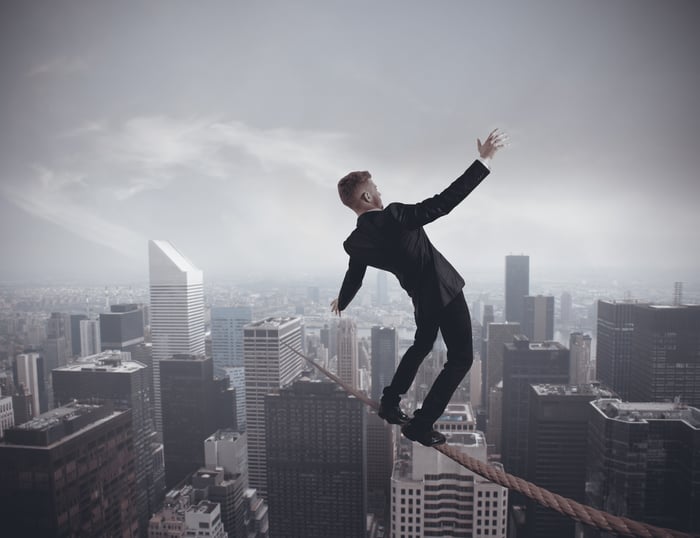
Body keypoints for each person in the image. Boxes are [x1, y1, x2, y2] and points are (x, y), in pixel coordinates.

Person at [331, 129, 507, 446]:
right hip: (446, 291)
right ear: (367, 197)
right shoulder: (395, 216)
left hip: (421, 300)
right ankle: (420, 425)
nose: (380, 192)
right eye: (375, 189)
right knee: (461, 359)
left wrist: (342, 301)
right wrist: (483, 161)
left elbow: (354, 276)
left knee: (422, 345)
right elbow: (443, 203)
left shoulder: (355, 242)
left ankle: (389, 402)